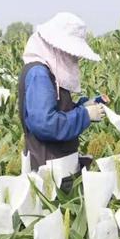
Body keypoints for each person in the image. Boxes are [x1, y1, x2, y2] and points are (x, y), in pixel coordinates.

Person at [18, 12, 106, 183]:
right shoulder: (40, 75)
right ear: (56, 47)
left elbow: (58, 110)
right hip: (49, 172)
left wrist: (84, 105)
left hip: (58, 167)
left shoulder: (49, 71)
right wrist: (85, 115)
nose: (74, 58)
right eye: (71, 53)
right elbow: (46, 124)